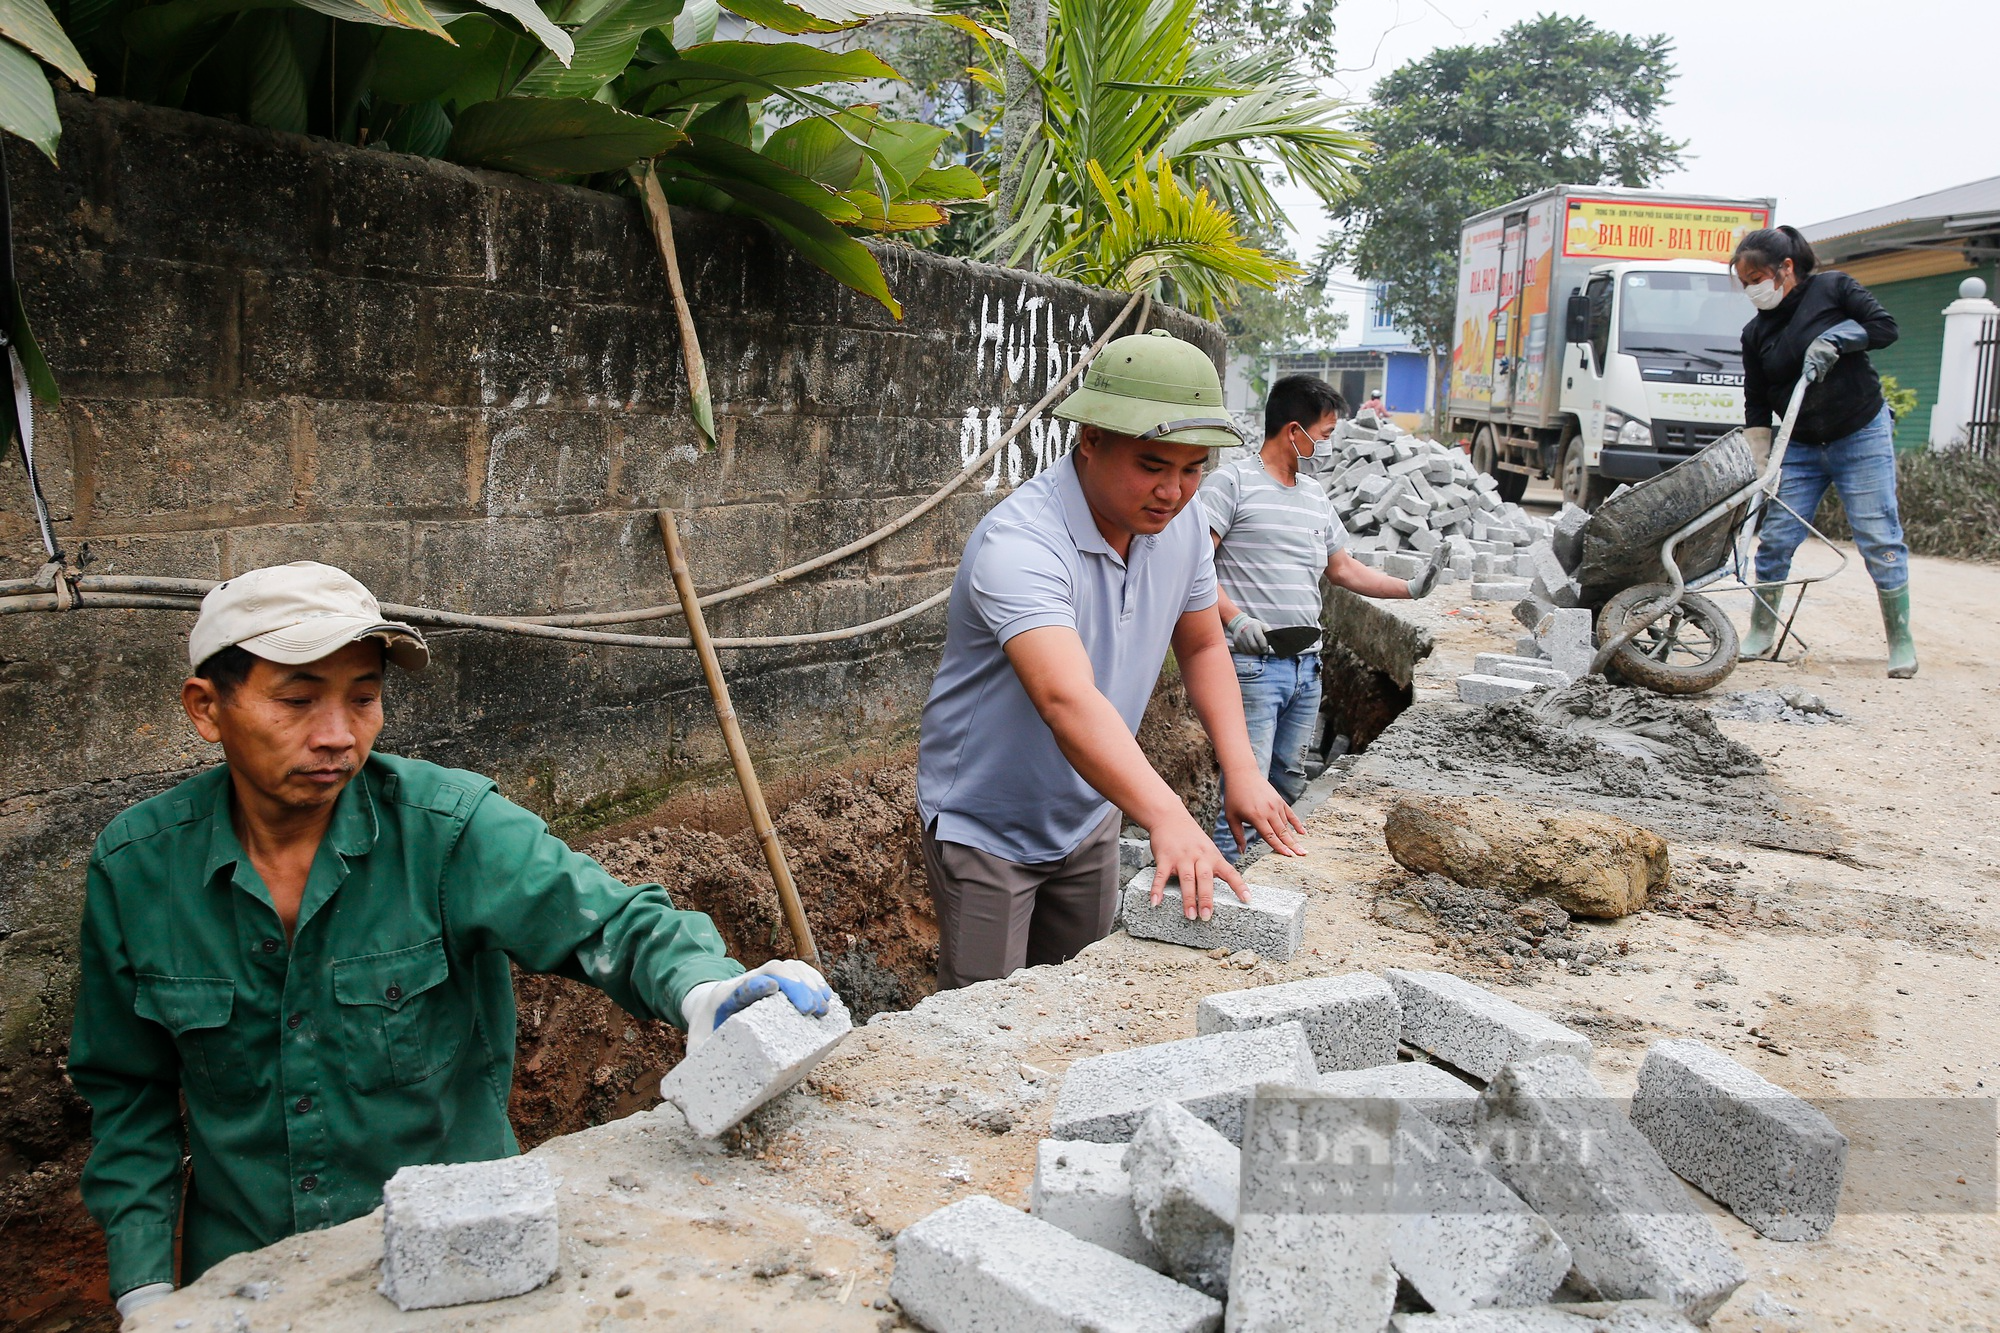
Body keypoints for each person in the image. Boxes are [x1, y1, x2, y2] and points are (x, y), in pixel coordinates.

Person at [69, 562, 833, 1321]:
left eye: (363, 698)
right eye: (297, 699)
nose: (337, 734)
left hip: (463, 1277)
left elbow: (611, 921)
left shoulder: (447, 831)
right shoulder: (138, 869)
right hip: (252, 1285)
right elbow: (127, 1094)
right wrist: (146, 1292)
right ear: (207, 709)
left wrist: (704, 988)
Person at [917, 329, 1305, 990]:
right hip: (988, 829)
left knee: (1075, 1010)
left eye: (1192, 469)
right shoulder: (1022, 545)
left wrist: (1240, 767)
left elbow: (1204, 641)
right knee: (986, 1032)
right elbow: (1066, 699)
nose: (1174, 491)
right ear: (1089, 440)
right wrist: (1167, 815)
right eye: (1153, 465)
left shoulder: (1179, 525)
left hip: (1091, 814)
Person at [1201, 375, 1447, 860]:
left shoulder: (1314, 496)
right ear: (1295, 431)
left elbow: (1343, 570)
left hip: (1306, 668)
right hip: (1252, 666)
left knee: (1287, 783)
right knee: (1246, 786)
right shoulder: (1231, 484)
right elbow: (1193, 566)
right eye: (1326, 434)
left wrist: (1409, 588)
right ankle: (1221, 883)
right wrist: (1234, 621)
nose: (1329, 446)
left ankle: (1264, 878)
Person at [1733, 225, 1914, 678]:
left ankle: (1901, 640)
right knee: (1775, 540)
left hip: (1859, 433)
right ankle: (1760, 630)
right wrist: (1762, 461)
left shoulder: (1833, 288)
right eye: (1744, 283)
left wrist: (1837, 339)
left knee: (1878, 536)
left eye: (1757, 277)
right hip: (1800, 446)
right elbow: (1756, 401)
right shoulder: (1756, 332)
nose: (1752, 288)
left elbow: (1885, 327)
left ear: (1785, 268)